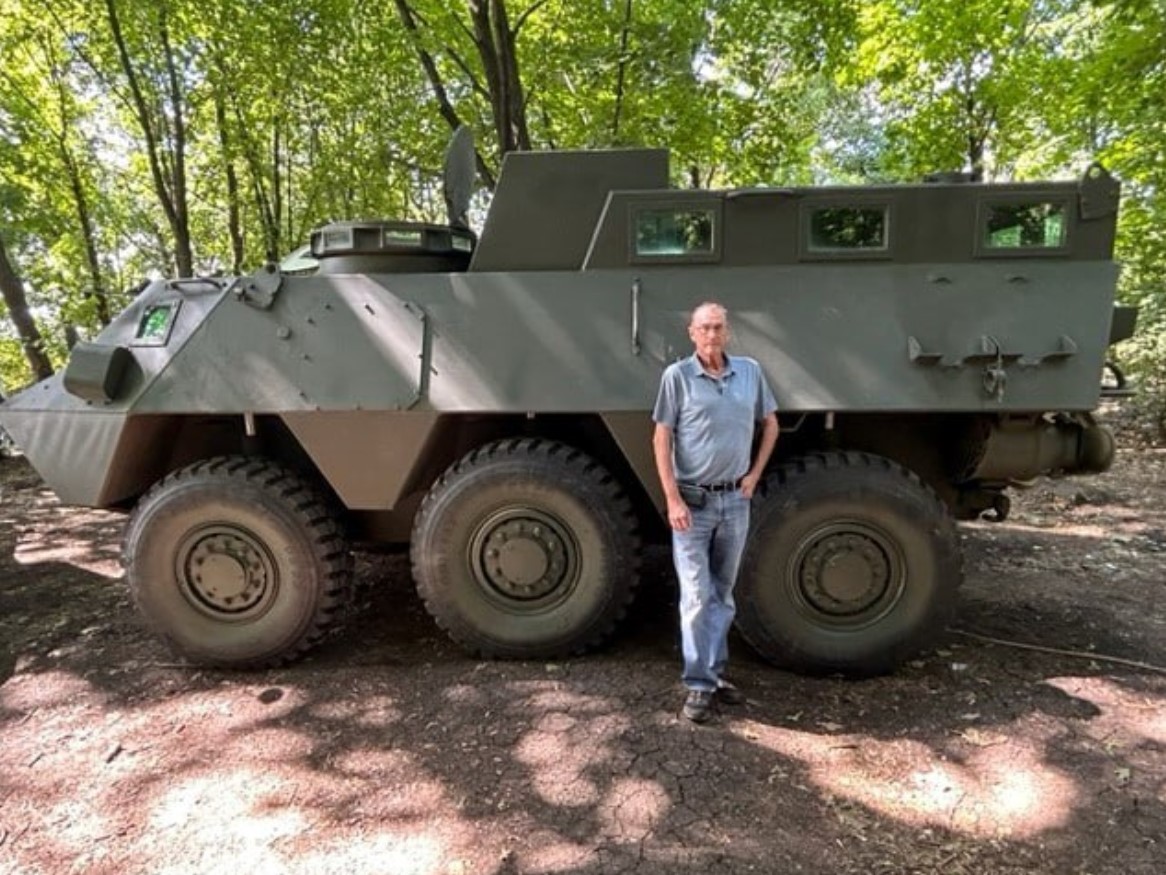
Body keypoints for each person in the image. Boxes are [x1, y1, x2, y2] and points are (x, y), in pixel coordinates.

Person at [652, 302, 779, 723]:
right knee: (696, 595)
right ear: (692, 333)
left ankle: (714, 672)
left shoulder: (750, 372)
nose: (711, 335)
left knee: (723, 593)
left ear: (727, 332)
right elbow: (661, 438)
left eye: (718, 328)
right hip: (693, 504)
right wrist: (672, 499)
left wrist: (754, 475)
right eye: (704, 328)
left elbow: (771, 423)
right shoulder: (678, 378)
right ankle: (698, 684)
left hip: (734, 501)